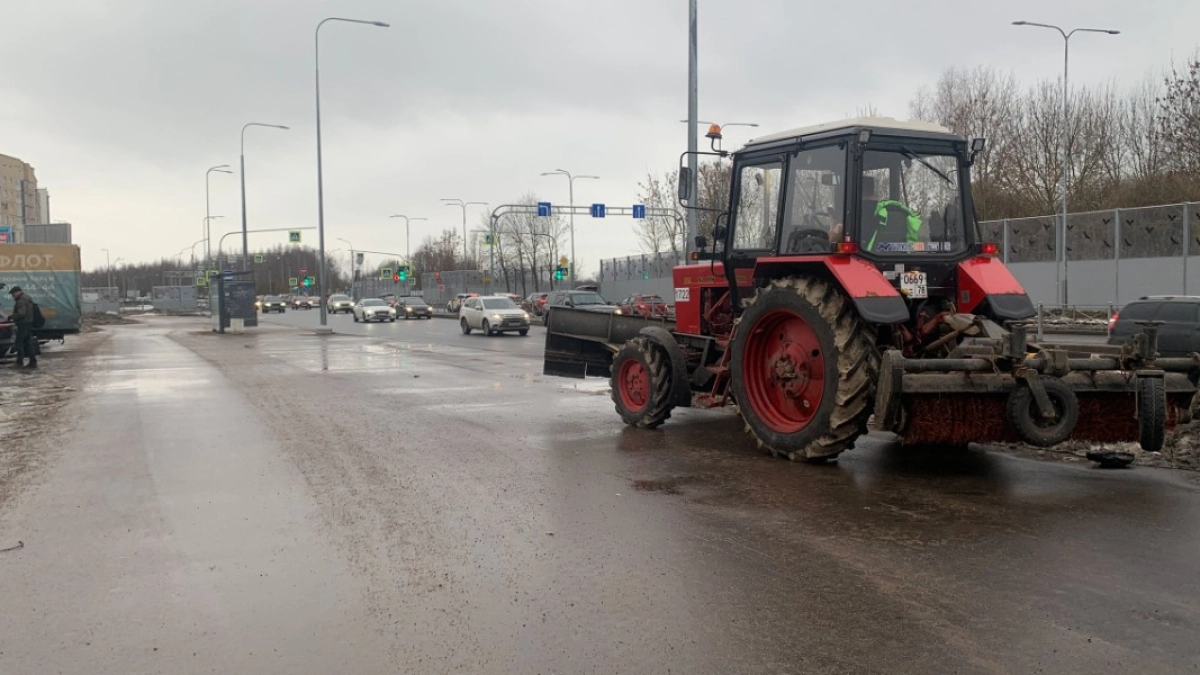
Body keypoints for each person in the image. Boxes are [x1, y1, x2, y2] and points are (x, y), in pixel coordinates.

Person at [7, 286, 37, 369]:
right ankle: (33, 362)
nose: (13, 296)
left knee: (19, 343)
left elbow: (21, 313)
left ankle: (19, 362)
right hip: (29, 323)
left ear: (17, 292)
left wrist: (12, 316)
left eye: (13, 294)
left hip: (23, 324)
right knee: (28, 343)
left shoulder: (21, 301)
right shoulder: (27, 298)